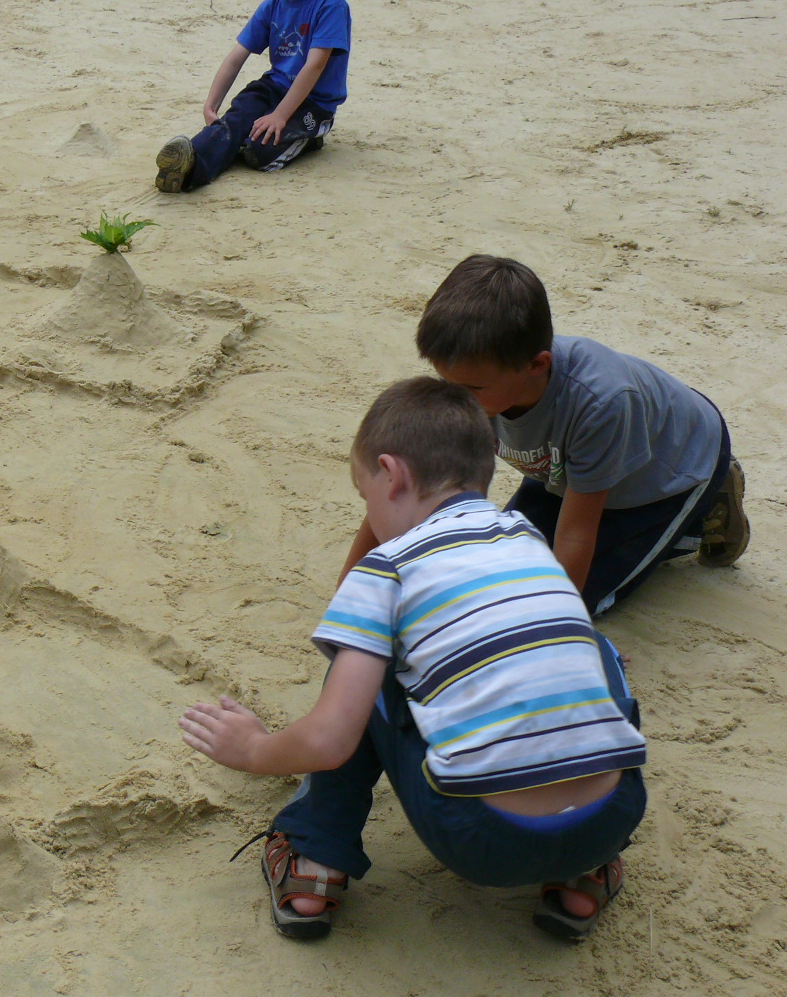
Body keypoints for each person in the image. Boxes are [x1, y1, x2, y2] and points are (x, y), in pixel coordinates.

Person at [181, 377, 647, 943]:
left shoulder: (387, 569)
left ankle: (314, 860)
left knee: (369, 664)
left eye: (366, 497)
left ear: (391, 474)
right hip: (612, 819)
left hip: (482, 841)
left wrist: (253, 749)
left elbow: (330, 740)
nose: (371, 517)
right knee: (591, 650)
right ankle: (583, 876)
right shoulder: (525, 536)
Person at [398, 254, 747, 616]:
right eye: (445, 380)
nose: (454, 399)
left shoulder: (600, 404)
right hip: (565, 467)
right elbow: (423, 496)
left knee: (580, 595)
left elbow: (576, 533)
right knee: (502, 568)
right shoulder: (486, 379)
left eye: (472, 388)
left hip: (667, 466)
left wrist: (557, 623)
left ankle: (700, 510)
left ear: (538, 365)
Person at [154, 0, 350, 193]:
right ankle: (187, 168)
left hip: (313, 103)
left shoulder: (330, 5)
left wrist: (280, 115)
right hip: (273, 87)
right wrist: (211, 104)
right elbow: (237, 57)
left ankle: (309, 139)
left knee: (260, 152)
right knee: (232, 123)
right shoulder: (272, 5)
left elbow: (315, 65)